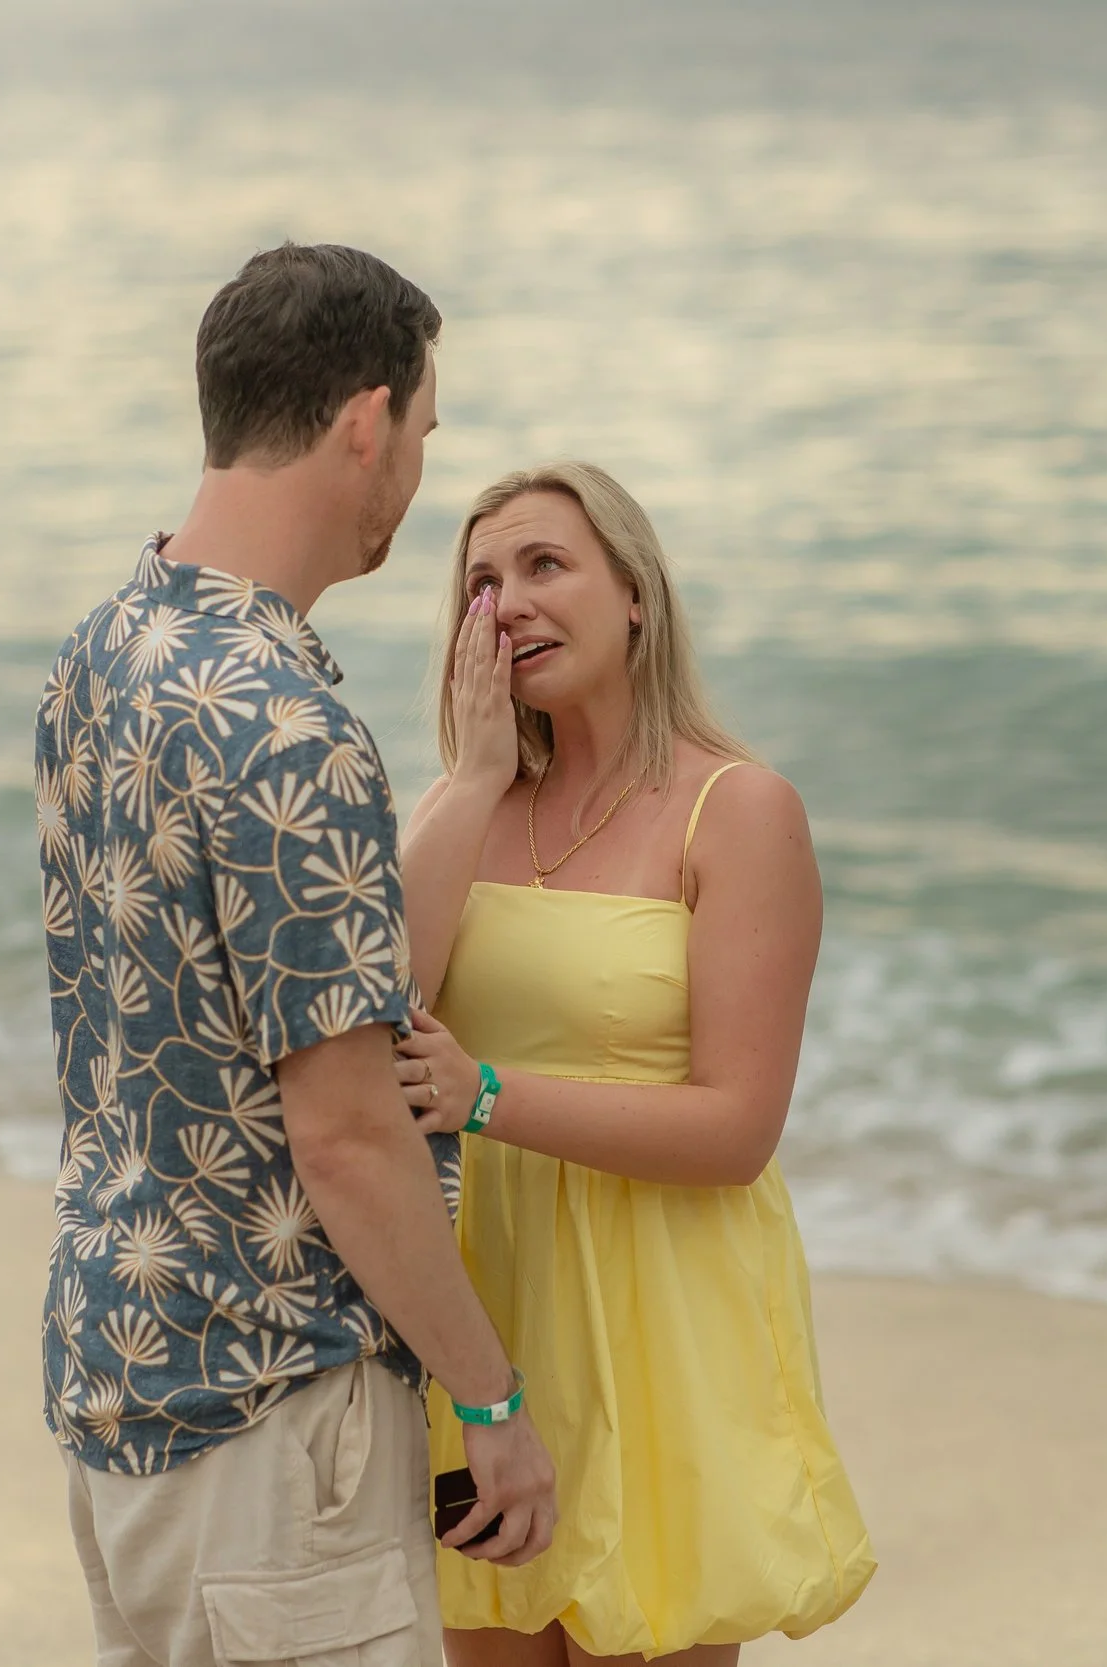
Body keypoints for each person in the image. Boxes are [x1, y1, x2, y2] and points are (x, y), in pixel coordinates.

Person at [34, 244, 559, 1667]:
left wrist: (473, 785)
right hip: (279, 1416)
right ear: (364, 421)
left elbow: (270, 979)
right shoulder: (287, 725)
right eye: (426, 438)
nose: (417, 481)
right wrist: (492, 1403)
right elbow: (344, 1136)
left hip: (123, 1377)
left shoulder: (106, 651)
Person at [392, 462, 877, 1665]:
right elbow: (375, 1010)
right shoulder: (470, 805)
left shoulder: (739, 807)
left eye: (545, 566)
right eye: (481, 583)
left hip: (665, 1309)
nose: (506, 604)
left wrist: (487, 1093)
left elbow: (735, 1128)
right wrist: (474, 776)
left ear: (636, 596)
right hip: (485, 1314)